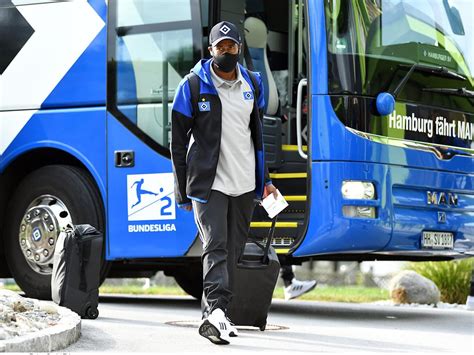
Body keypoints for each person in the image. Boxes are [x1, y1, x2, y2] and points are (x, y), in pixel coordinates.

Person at [171, 21, 277, 345]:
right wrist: (182, 189)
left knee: (231, 252)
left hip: (245, 184)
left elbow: (255, 138)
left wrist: (266, 182)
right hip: (208, 185)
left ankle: (218, 314)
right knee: (215, 246)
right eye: (221, 47)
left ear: (239, 49)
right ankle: (215, 313)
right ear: (211, 50)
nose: (226, 51)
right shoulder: (192, 86)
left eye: (231, 46)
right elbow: (177, 143)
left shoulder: (253, 85)